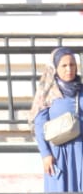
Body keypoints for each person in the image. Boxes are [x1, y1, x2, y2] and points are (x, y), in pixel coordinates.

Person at [30, 47, 83, 192]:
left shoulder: (81, 90)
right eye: (64, 65)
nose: (69, 69)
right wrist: (46, 155)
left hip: (80, 151)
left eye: (72, 65)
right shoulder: (48, 93)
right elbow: (39, 126)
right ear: (55, 68)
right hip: (59, 154)